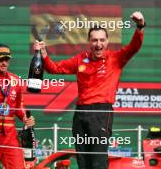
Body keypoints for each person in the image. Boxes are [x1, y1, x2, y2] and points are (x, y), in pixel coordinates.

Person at [34, 11, 145, 169]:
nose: (98, 44)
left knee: (98, 160)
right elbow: (54, 69)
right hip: (80, 114)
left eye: (101, 40)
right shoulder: (80, 59)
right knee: (83, 160)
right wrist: (44, 54)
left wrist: (140, 26)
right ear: (89, 42)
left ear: (107, 42)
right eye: (94, 40)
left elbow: (135, 46)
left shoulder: (116, 58)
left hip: (101, 113)